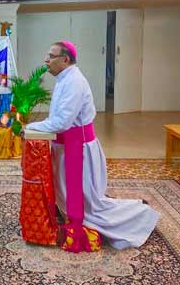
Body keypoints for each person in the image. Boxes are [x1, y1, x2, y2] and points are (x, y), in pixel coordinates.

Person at [26, 40, 160, 252]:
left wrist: (30, 127)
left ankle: (139, 216)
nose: (46, 60)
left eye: (51, 56)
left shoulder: (74, 82)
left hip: (78, 150)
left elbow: (62, 122)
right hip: (66, 147)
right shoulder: (64, 79)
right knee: (70, 196)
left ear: (65, 59)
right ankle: (77, 216)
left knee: (91, 206)